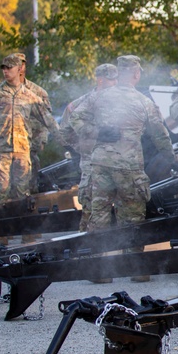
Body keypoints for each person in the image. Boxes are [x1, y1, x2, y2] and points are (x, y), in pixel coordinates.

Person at [66, 55, 176, 282]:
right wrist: (173, 160)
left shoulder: (97, 97)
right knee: (132, 217)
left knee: (100, 215)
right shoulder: (144, 102)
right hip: (129, 168)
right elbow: (160, 135)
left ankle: (98, 270)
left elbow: (74, 119)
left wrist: (95, 133)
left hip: (100, 166)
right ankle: (135, 268)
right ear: (136, 75)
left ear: (119, 73)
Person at [60, 63, 118, 232]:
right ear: (100, 80)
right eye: (111, 80)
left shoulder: (120, 102)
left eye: (116, 80)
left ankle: (110, 252)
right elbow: (65, 131)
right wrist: (81, 146)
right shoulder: (82, 103)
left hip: (116, 163)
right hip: (91, 163)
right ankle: (87, 248)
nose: (114, 83)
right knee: (90, 208)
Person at [0, 53, 59, 205]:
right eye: (3, 68)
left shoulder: (30, 95)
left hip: (23, 150)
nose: (5, 71)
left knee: (22, 192)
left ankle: (22, 225)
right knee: (0, 190)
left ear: (19, 69)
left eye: (9, 68)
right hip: (1, 149)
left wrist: (66, 139)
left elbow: (48, 119)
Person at [11, 53, 52, 194]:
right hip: (6, 148)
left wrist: (40, 142)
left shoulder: (38, 92)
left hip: (30, 147)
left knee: (30, 187)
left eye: (21, 64)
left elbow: (46, 120)